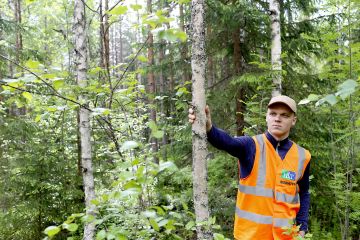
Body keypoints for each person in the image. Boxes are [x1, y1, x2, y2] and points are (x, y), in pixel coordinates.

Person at [188, 95, 311, 240]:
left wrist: (302, 227)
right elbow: (227, 142)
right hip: (250, 236)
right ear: (267, 117)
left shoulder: (303, 156)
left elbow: (303, 193)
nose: (277, 119)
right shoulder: (251, 146)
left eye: (284, 115)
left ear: (293, 120)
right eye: (273, 114)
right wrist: (209, 128)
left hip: (286, 237)